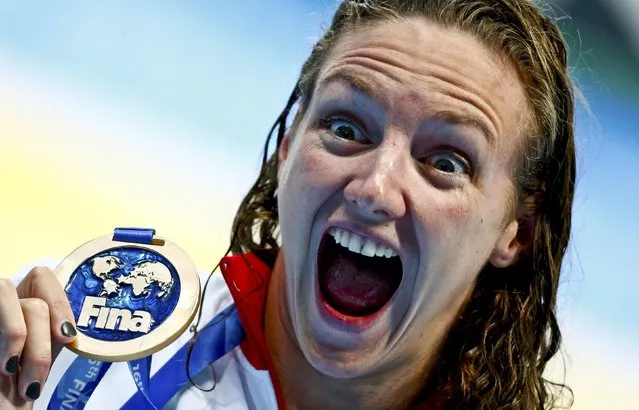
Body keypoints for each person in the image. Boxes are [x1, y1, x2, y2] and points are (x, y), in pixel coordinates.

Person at [0, 0, 577, 408]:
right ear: (286, 148)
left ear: (516, 231)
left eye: (446, 162)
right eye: (347, 126)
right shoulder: (76, 361)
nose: (376, 188)